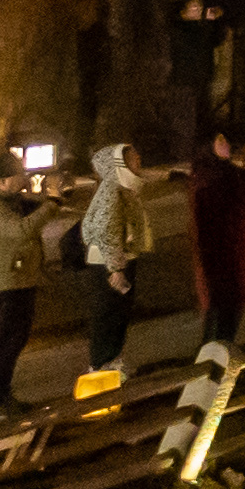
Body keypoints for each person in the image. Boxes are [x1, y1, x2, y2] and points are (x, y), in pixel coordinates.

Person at [184, 121, 245, 361]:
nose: (227, 145)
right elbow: (236, 197)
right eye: (220, 140)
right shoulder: (209, 175)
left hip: (232, 253)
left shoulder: (222, 170)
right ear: (208, 144)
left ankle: (217, 359)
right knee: (221, 313)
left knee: (229, 311)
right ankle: (210, 364)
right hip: (219, 257)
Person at [77, 141, 163, 378]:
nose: (139, 159)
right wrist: (115, 269)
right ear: (119, 164)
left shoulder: (124, 189)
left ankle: (112, 361)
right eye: (133, 158)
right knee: (108, 314)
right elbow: (107, 231)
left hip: (121, 260)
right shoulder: (112, 191)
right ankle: (100, 366)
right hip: (109, 264)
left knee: (119, 314)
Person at [0, 168, 49, 414]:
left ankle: (1, 395)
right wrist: (51, 205)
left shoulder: (9, 200)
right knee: (3, 342)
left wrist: (47, 195)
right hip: (3, 285)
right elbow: (20, 231)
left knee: (15, 339)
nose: (24, 178)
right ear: (2, 180)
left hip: (18, 280)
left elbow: (33, 210)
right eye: (19, 175)